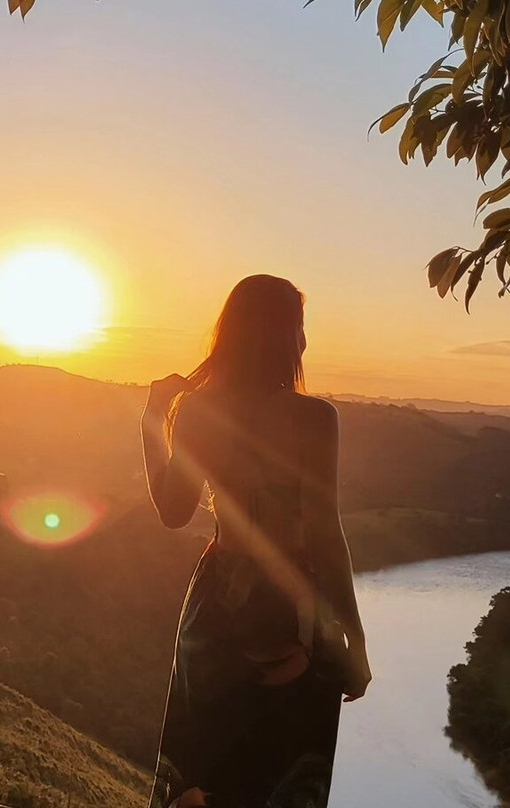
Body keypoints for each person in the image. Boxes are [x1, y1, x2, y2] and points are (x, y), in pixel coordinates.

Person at [141, 275, 372, 808]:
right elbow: (324, 535)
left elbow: (174, 513)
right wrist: (353, 639)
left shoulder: (200, 410)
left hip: (217, 605)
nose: (305, 342)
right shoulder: (316, 418)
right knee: (285, 772)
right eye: (301, 328)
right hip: (293, 613)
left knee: (206, 767)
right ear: (288, 335)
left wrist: (152, 422)